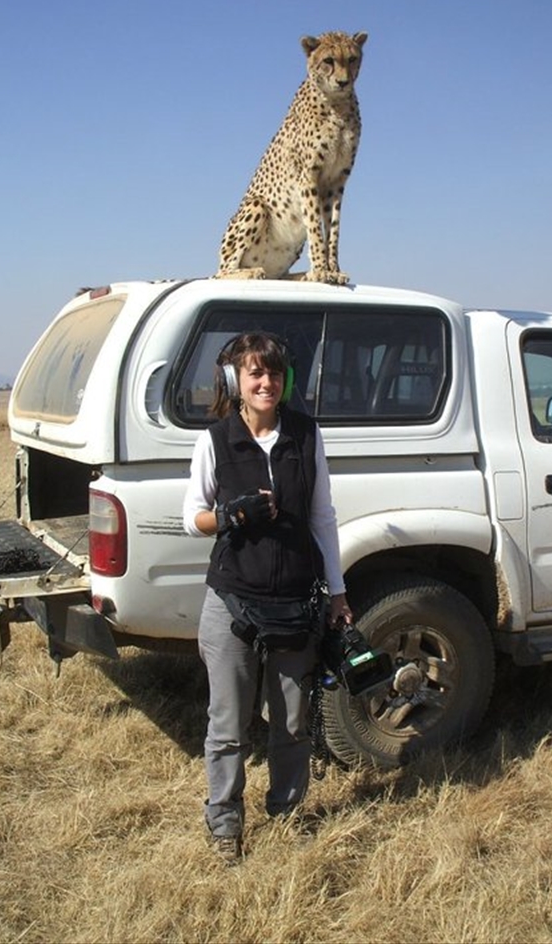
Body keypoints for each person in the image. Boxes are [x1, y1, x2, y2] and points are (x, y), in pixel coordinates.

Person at [183, 330, 352, 864]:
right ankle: (225, 824)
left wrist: (337, 594)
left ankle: (286, 811)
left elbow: (323, 516)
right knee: (228, 724)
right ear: (235, 380)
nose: (267, 382)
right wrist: (231, 515)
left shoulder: (306, 435)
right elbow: (192, 519)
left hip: (296, 601)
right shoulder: (215, 441)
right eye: (255, 373)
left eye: (275, 373)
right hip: (233, 603)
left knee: (294, 722)